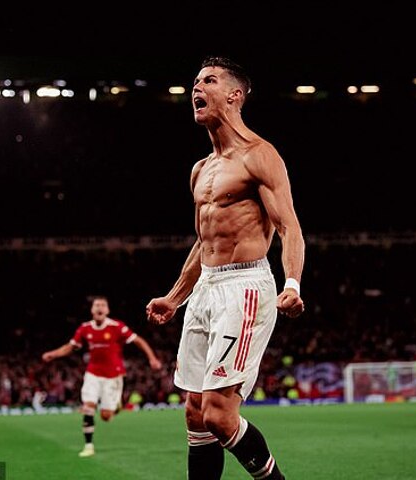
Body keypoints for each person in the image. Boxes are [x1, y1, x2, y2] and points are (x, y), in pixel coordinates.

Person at [146, 56, 305, 480]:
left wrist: (292, 283)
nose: (196, 88)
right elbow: (205, 243)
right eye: (195, 81)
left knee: (219, 414)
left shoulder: (260, 155)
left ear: (235, 95)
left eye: (209, 81)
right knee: (195, 412)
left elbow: (289, 228)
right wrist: (174, 297)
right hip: (206, 289)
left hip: (245, 286)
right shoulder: (201, 169)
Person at [42, 295, 163, 457]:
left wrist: (152, 358)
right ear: (92, 310)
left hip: (113, 376)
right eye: (96, 305)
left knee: (106, 416)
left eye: (102, 305)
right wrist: (53, 354)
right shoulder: (85, 328)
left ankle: (116, 405)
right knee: (88, 406)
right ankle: (88, 446)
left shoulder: (116, 326)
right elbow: (70, 347)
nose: (99, 308)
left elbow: (138, 340)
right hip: (92, 373)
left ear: (107, 310)